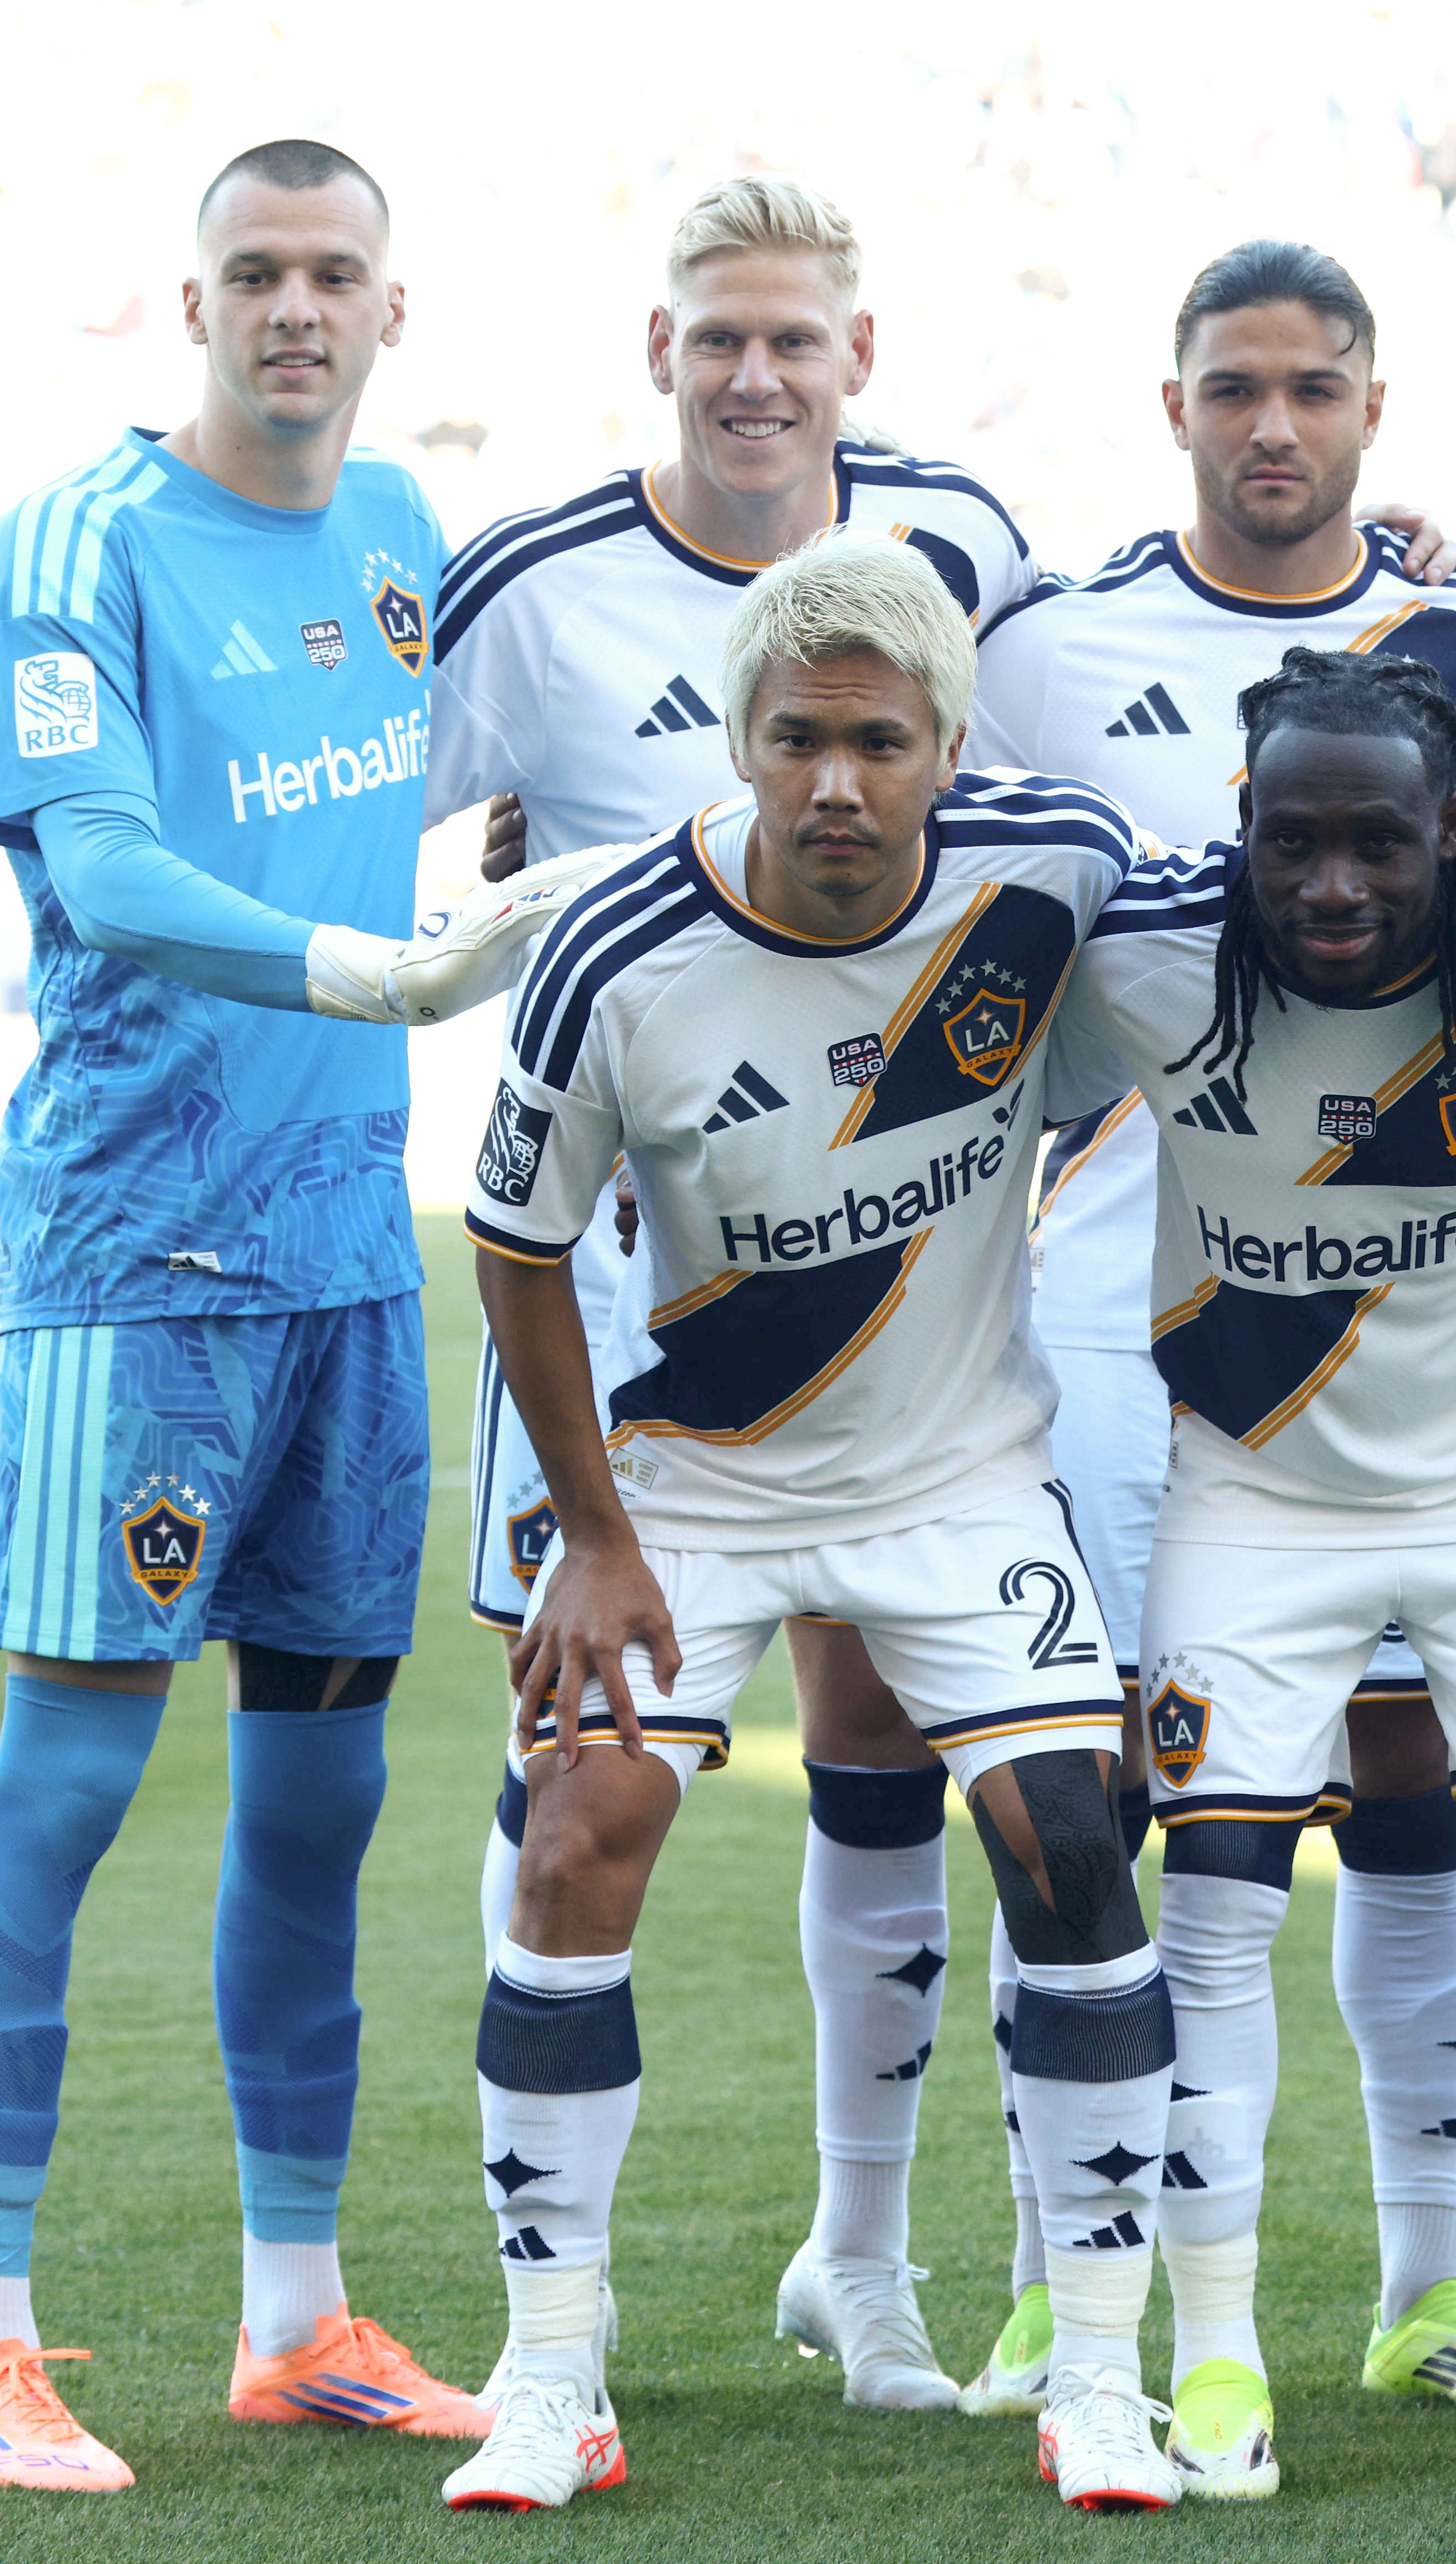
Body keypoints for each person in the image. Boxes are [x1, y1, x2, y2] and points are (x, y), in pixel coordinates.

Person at [0, 138, 594, 2491]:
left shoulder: (403, 529)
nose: (293, 309)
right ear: (189, 299)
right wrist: (388, 966)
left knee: (319, 1802)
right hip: (139, 1264)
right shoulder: (78, 541)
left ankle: (293, 2314)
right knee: (74, 1779)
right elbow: (100, 865)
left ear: (391, 310)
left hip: (341, 1265)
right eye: (256, 273)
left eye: (335, 275)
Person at [445, 530, 1178, 2513]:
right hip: (695, 1486)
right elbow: (511, 1249)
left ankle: (1100, 2380)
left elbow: (1255, 903)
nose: (838, 785)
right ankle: (548, 2377)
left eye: (879, 742)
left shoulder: (1051, 877)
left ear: (948, 745)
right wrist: (591, 1538)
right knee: (581, 1839)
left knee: (1075, 1848)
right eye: (798, 742)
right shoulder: (620, 949)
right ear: (740, 746)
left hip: (957, 1480)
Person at [425, 175, 1041, 2413]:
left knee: (888, 1746)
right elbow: (368, 840)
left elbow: (1075, 816)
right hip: (616, 1305)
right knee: (584, 1782)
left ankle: (858, 2267)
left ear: (858, 354)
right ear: (661, 348)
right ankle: (549, 2311)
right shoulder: (536, 583)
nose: (757, 372)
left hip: (895, 1289)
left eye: (794, 335)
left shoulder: (972, 538)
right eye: (718, 337)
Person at [959, 238, 1456, 2419]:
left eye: (1311, 387)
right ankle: (1057, 2265)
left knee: (1410, 1778)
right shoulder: (1052, 644)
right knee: (1100, 1800)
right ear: (1173, 400)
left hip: (1410, 1301)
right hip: (1119, 1300)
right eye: (1233, 387)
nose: (1271, 424)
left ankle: (1430, 2281)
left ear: (1373, 404)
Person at [1037, 647, 1456, 2503]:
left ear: (1450, 830)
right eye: (1290, 842)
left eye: (1377, 843)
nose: (1332, 885)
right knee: (1215, 1901)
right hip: (1259, 1502)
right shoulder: (1142, 963)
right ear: (1238, 827)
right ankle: (1216, 2361)